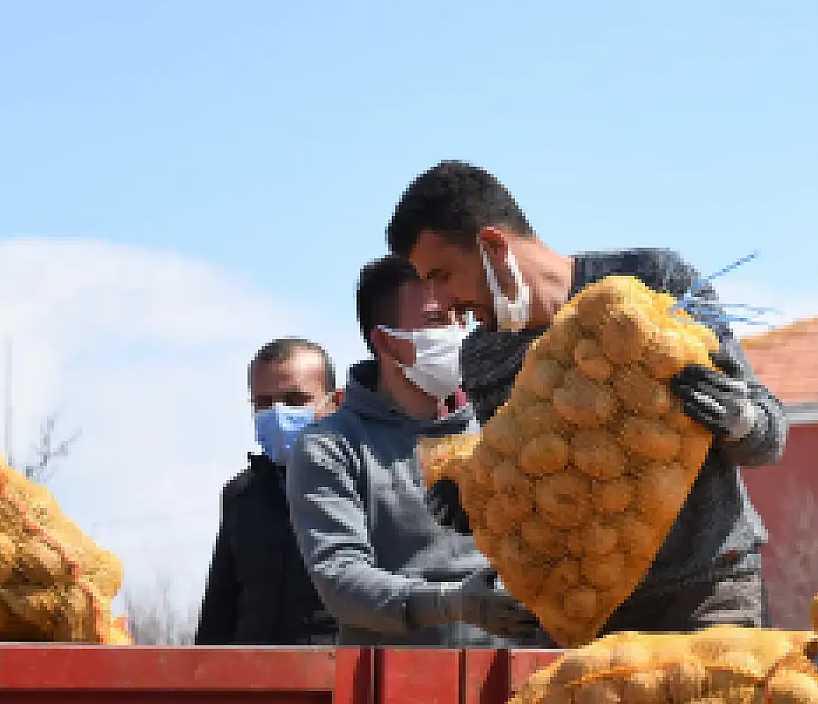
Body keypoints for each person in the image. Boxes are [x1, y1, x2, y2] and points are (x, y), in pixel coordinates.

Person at [385, 160, 787, 634]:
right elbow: (538, 498)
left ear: (493, 245)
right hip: (590, 615)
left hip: (713, 596)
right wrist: (473, 498)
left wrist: (738, 418)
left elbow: (769, 434)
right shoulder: (482, 357)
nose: (442, 302)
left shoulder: (653, 279)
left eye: (443, 275)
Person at [286, 255, 539, 646]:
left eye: (460, 317)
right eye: (437, 320)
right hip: (394, 689)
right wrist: (452, 603)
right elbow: (341, 577)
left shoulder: (503, 428)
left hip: (513, 683)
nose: (457, 331)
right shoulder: (331, 447)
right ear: (386, 341)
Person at [194, 338, 341, 645]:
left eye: (294, 400)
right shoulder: (241, 495)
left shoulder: (362, 485)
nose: (277, 413)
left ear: (333, 403)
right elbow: (218, 616)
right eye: (263, 402)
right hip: (251, 681)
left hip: (333, 680)